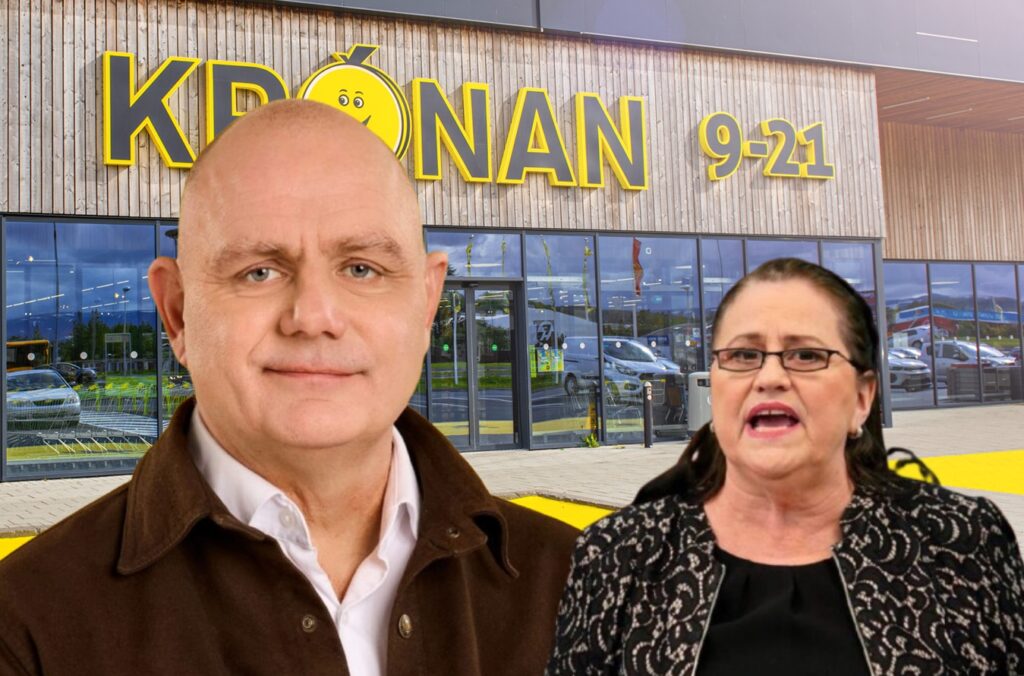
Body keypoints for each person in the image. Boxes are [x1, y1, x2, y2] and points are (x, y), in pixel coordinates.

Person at [0, 100, 577, 675]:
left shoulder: (580, 585)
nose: (314, 316)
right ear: (177, 314)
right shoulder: (26, 630)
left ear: (427, 304)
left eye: (362, 269)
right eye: (259, 271)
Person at [547, 258, 1024, 675]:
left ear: (863, 398)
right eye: (743, 355)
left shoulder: (959, 542)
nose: (770, 377)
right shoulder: (621, 555)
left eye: (806, 355)